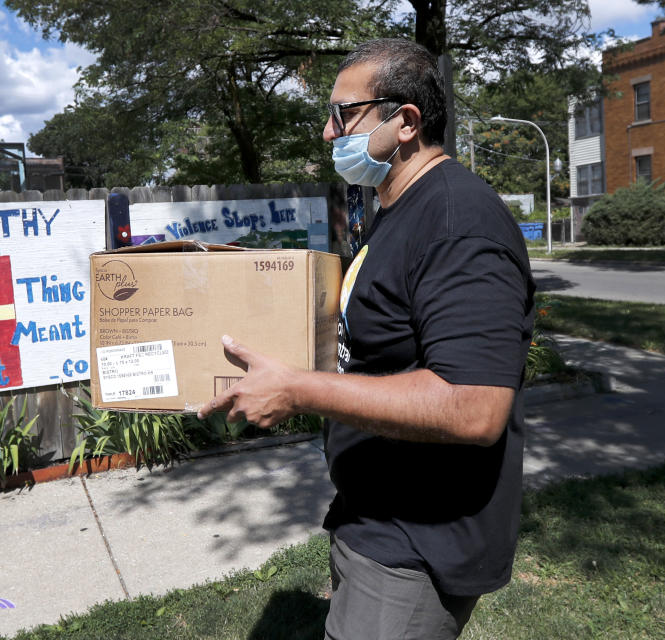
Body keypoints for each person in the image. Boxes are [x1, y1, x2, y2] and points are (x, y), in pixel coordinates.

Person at [198, 38, 535, 640]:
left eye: (342, 115)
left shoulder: (458, 222)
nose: (328, 135)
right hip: (375, 514)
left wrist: (301, 390)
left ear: (404, 121)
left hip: (418, 541)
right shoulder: (398, 207)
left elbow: (475, 405)